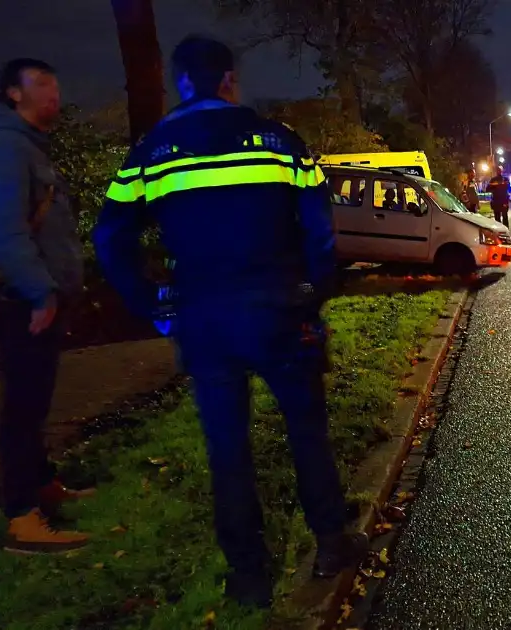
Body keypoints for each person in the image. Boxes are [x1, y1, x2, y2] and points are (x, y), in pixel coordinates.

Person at [92, 35, 366, 607]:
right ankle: (332, 541)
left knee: (227, 449)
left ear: (182, 82)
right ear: (228, 80)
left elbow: (110, 235)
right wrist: (313, 291)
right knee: (307, 431)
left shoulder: (152, 150)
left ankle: (248, 577)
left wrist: (151, 303)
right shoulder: (278, 142)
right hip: (279, 312)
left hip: (205, 320)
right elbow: (320, 228)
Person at [0, 58, 92, 554]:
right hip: (22, 301)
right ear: (13, 93)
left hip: (39, 296)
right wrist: (40, 291)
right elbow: (6, 231)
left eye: (55, 81)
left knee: (35, 400)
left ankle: (41, 484)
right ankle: (21, 515)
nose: (53, 92)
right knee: (22, 406)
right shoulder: (9, 147)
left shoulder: (30, 146)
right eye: (40, 83)